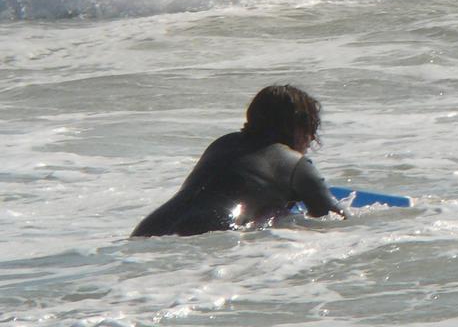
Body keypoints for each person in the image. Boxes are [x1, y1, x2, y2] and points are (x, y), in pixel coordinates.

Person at [132, 85, 344, 237]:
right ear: (299, 128)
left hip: (149, 229)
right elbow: (336, 219)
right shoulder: (295, 164)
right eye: (311, 130)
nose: (310, 140)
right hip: (211, 236)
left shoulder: (222, 143)